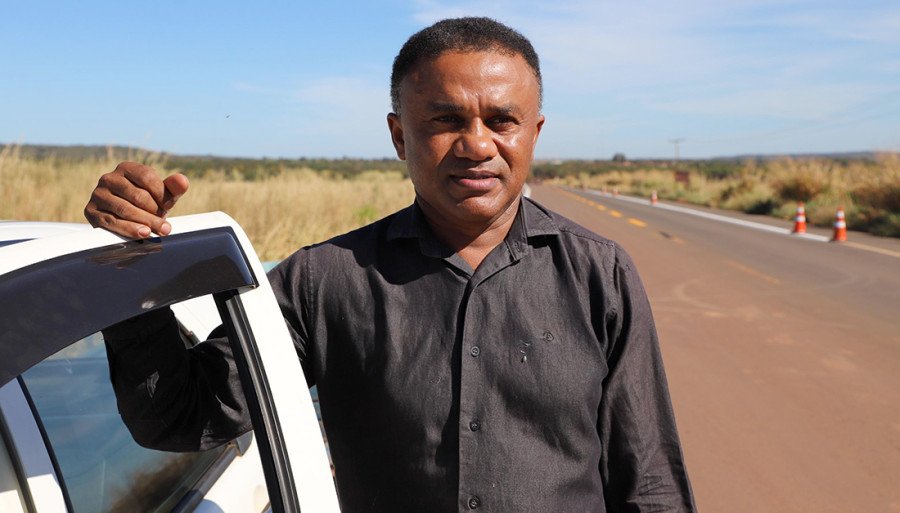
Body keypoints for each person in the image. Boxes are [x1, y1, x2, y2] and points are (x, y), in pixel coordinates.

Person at [85, 17, 696, 512]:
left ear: (533, 133)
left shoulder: (600, 276)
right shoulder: (323, 281)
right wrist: (132, 261)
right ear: (400, 135)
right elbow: (181, 417)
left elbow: (649, 482)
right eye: (446, 120)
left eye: (501, 120)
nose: (477, 145)